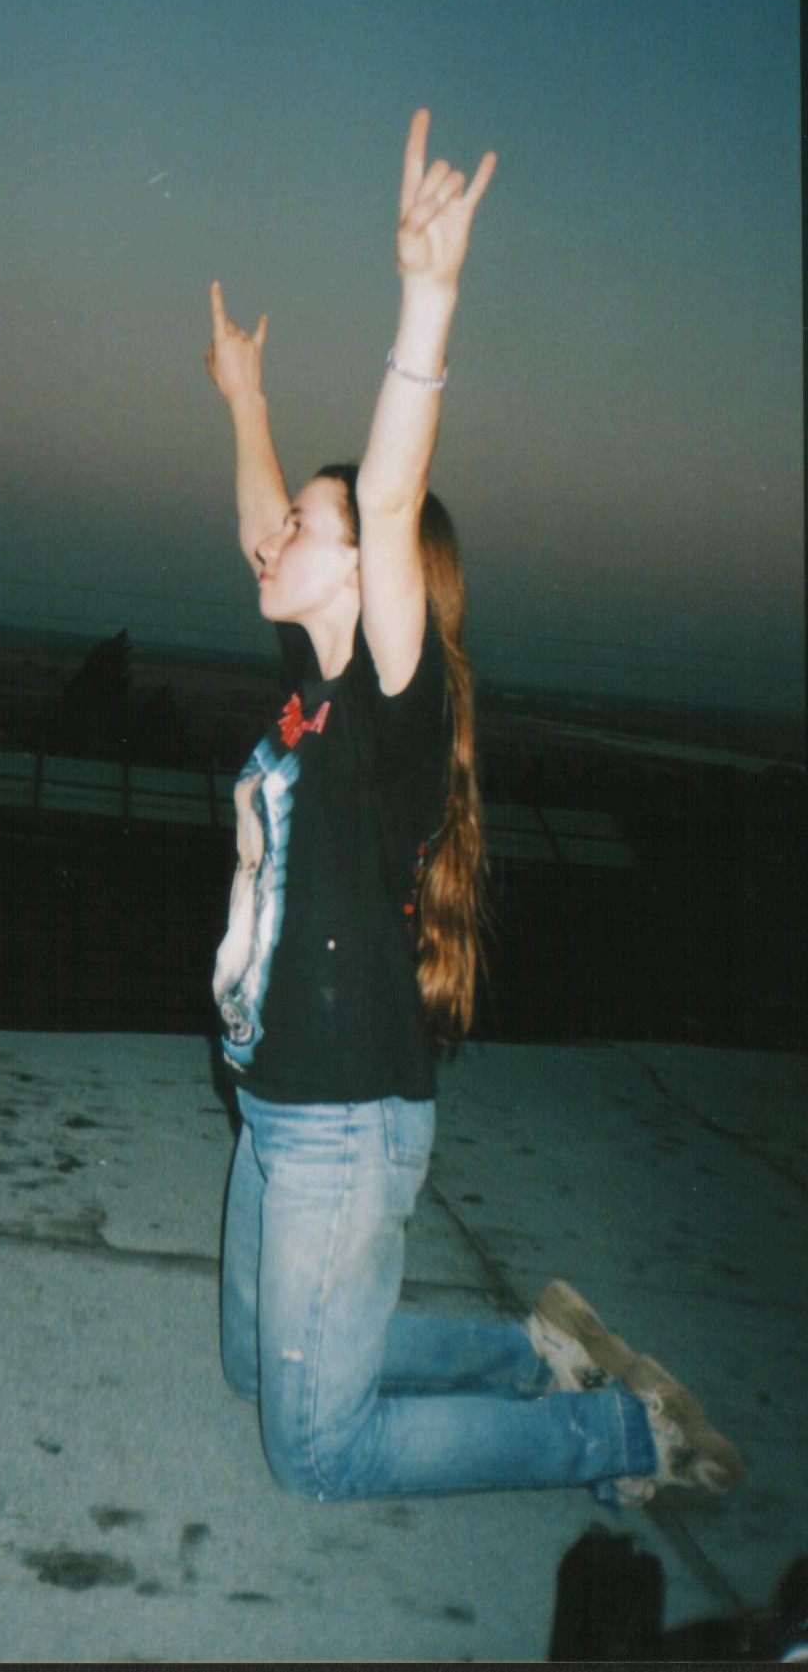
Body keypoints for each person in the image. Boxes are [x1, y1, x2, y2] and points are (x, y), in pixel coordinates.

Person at [203, 107, 743, 1507]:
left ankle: (628, 1436)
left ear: (362, 571)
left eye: (304, 529)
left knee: (316, 1451)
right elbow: (276, 522)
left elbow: (385, 499)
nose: (274, 538)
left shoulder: (391, 704)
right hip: (278, 1108)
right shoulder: (313, 691)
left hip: (337, 1123)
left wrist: (427, 298)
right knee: (253, 1370)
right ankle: (535, 1351)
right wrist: (246, 401)